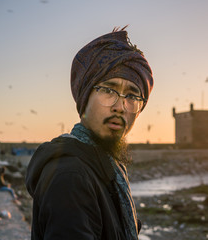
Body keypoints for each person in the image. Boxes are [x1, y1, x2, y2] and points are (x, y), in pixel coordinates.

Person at [25, 26, 154, 240]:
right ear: (84, 99)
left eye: (132, 96)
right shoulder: (71, 176)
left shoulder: (106, 166)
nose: (120, 107)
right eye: (108, 90)